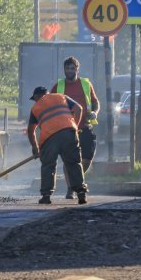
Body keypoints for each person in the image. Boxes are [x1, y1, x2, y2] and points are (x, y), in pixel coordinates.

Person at [27, 86, 88, 205]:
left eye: (35, 99)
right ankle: (81, 193)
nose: (35, 101)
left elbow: (31, 130)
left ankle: (46, 196)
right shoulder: (61, 97)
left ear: (37, 96)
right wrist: (74, 127)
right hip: (68, 132)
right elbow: (79, 108)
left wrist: (35, 147)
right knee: (74, 163)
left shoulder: (35, 108)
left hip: (49, 137)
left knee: (48, 165)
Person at [50, 56, 100, 198]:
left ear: (77, 69)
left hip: (85, 126)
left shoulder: (86, 84)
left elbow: (95, 102)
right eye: (67, 68)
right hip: (67, 129)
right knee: (69, 160)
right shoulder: (58, 86)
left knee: (87, 158)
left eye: (72, 68)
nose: (70, 71)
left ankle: (75, 179)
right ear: (64, 70)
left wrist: (95, 112)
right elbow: (49, 104)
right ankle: (71, 188)